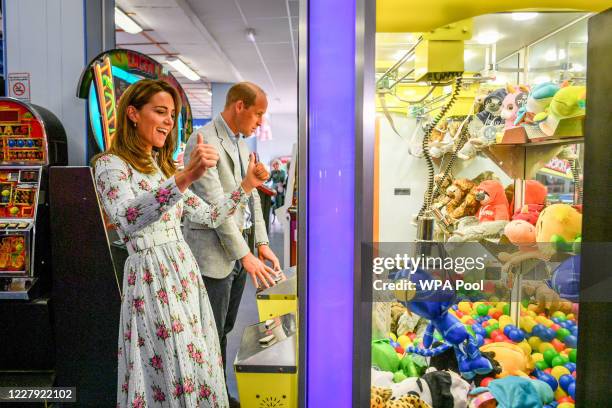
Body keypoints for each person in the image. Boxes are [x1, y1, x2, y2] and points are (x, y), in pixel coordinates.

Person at [92, 79, 267, 407]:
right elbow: (127, 218)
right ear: (133, 114)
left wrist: (246, 186)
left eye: (172, 114)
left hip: (183, 276)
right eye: (160, 112)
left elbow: (211, 215)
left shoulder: (161, 169)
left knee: (195, 364)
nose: (168, 121)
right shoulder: (109, 165)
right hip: (151, 278)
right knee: (167, 367)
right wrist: (185, 176)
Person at [183, 82, 281, 407]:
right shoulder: (202, 142)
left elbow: (249, 195)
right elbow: (216, 210)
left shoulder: (239, 143)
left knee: (224, 329)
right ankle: (211, 398)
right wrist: (246, 255)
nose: (260, 122)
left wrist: (262, 243)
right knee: (208, 334)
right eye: (258, 113)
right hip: (213, 256)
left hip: (237, 255)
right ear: (240, 106)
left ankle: (217, 394)